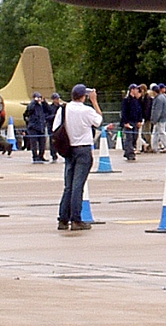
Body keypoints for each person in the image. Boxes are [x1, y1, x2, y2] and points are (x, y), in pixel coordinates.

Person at [57, 84, 103, 231]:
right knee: (78, 186)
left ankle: (63, 219)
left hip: (68, 148)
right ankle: (76, 219)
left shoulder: (63, 109)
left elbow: (55, 128)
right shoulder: (87, 110)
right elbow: (99, 120)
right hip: (83, 149)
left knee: (68, 186)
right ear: (84, 96)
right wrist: (94, 102)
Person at [22, 91, 49, 162]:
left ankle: (41, 156)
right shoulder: (32, 105)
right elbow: (29, 109)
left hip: (41, 126)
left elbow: (48, 110)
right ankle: (35, 156)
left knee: (42, 142)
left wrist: (44, 102)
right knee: (34, 142)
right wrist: (34, 102)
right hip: (33, 126)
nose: (39, 99)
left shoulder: (42, 106)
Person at [119, 84, 143, 161]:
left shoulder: (136, 100)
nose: (137, 91)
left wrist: (139, 120)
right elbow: (124, 112)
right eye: (136, 89)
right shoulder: (126, 100)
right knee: (129, 138)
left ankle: (128, 151)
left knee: (134, 138)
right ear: (132, 90)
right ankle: (130, 153)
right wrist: (125, 122)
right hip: (129, 122)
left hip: (135, 121)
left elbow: (139, 111)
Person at [150, 85, 166, 153]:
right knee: (156, 133)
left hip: (160, 119)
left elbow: (157, 111)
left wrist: (154, 120)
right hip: (162, 118)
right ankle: (154, 147)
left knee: (161, 132)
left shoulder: (158, 99)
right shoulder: (161, 97)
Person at [45, 92, 62, 162]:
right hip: (51, 127)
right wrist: (54, 116)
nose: (57, 100)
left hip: (60, 127)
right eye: (56, 99)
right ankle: (53, 155)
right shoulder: (50, 108)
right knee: (52, 142)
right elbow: (46, 117)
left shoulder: (60, 108)